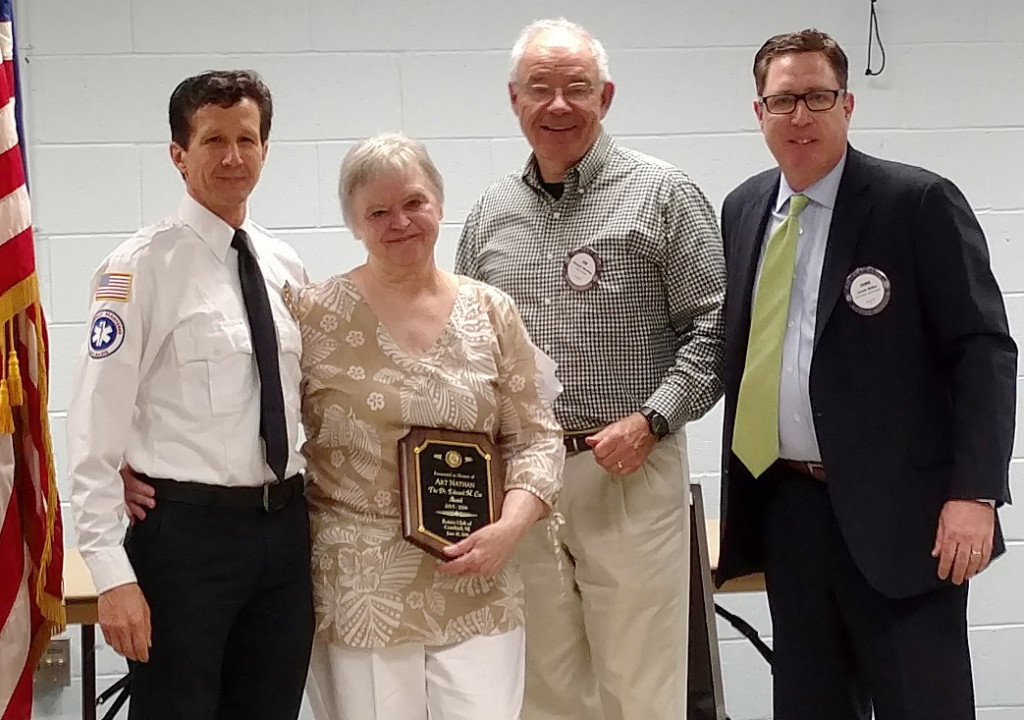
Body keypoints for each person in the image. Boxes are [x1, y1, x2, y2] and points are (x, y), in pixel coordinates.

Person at [717, 28, 1016, 720]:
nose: (800, 116)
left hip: (904, 519)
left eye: (817, 97)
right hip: (791, 510)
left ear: (848, 105)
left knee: (922, 704)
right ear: (757, 112)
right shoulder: (742, 208)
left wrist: (975, 490)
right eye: (783, 100)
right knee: (809, 704)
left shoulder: (916, 203)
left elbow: (984, 351)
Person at [455, 18, 726, 720]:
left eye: (576, 88)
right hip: (526, 486)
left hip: (630, 467)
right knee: (544, 689)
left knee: (641, 686)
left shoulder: (664, 195)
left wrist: (652, 419)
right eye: (539, 89)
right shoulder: (490, 215)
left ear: (605, 96)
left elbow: (718, 328)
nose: (558, 105)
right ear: (513, 100)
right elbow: (464, 349)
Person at [68, 70, 313, 720]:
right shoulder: (139, 268)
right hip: (186, 544)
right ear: (179, 154)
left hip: (285, 535)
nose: (233, 157)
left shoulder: (286, 267)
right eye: (213, 140)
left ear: (265, 148)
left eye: (247, 138)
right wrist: (112, 574)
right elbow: (93, 434)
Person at [293, 133, 564, 720]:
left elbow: (535, 435)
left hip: (477, 572)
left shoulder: (492, 311)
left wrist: (510, 528)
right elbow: (249, 415)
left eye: (414, 202)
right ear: (355, 224)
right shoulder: (311, 314)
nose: (400, 222)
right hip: (361, 581)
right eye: (378, 211)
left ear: (439, 204)